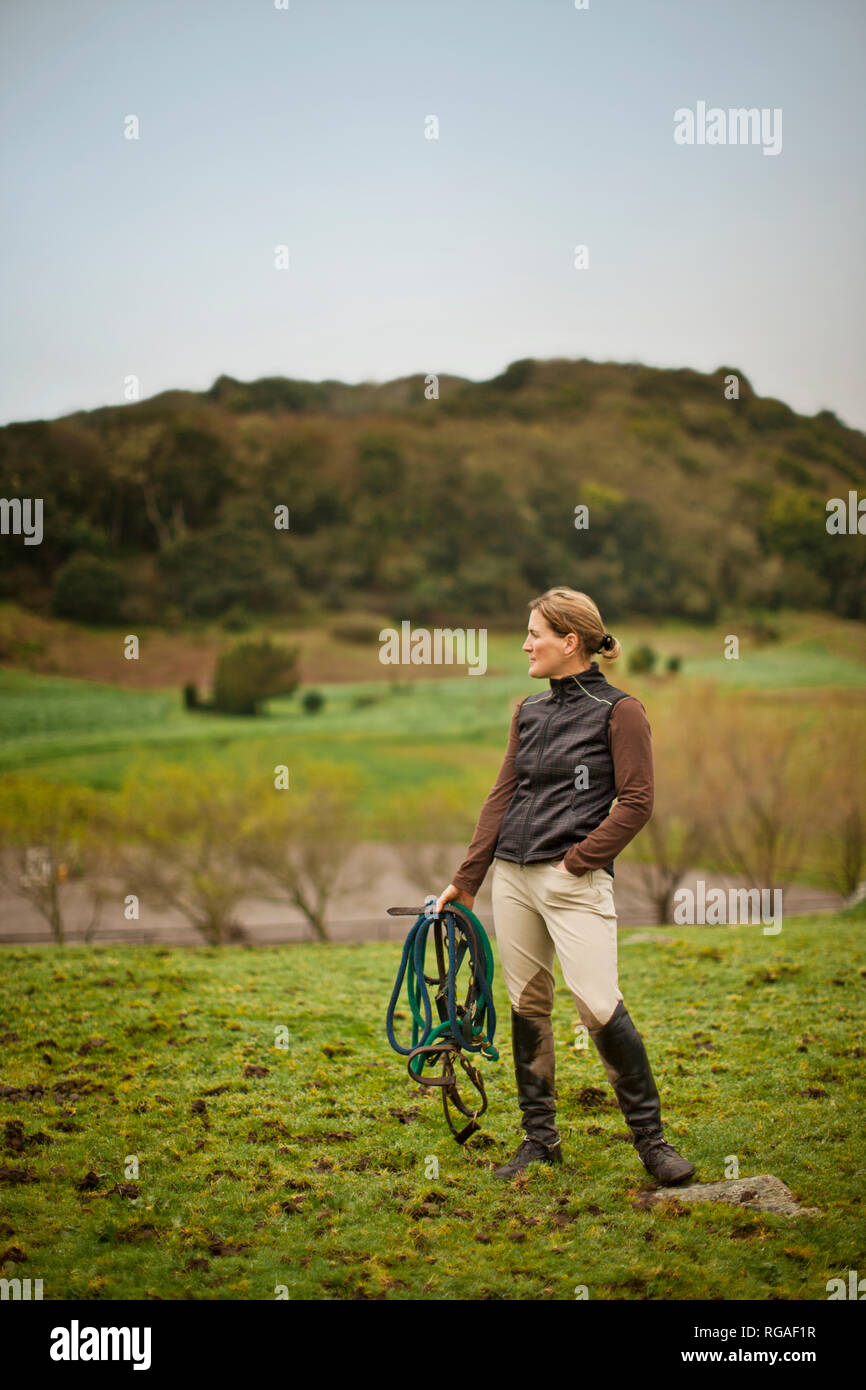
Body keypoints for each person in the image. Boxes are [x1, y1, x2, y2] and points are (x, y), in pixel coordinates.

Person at [435, 587, 695, 1184]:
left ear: (569, 641)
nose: (525, 644)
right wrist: (467, 880)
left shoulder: (620, 710)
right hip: (512, 880)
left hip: (571, 881)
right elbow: (503, 794)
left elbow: (636, 802)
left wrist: (578, 861)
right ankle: (539, 1140)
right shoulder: (528, 710)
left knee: (599, 1006)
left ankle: (652, 1144)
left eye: (535, 634)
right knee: (527, 1007)